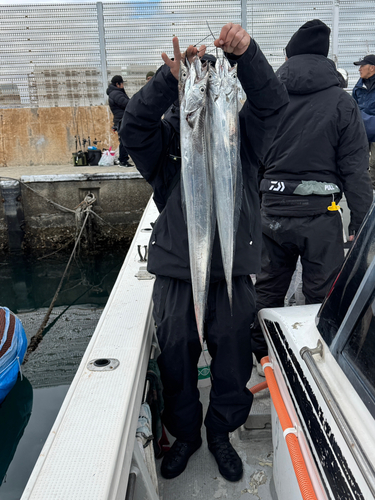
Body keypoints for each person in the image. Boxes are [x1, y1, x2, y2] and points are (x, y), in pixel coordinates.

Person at [121, 23, 289, 482]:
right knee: (175, 356)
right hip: (178, 272)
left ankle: (219, 433)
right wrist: (165, 80)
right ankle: (187, 434)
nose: (209, 85)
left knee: (234, 359)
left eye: (215, 78)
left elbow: (274, 105)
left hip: (233, 273)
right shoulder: (166, 149)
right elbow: (133, 126)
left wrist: (248, 55)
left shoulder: (245, 139)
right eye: (199, 77)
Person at [252, 20, 373, 361]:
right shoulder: (342, 102)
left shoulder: (266, 97)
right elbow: (355, 172)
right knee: (321, 294)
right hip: (320, 218)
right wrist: (360, 227)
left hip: (271, 212)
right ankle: (312, 356)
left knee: (268, 288)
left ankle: (263, 356)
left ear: (289, 57)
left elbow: (250, 156)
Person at [353, 54, 375, 188]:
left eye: (362, 66)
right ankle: (364, 189)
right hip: (362, 129)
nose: (359, 69)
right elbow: (353, 107)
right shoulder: (358, 87)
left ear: (372, 68)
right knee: (360, 160)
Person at [106, 75, 131, 167]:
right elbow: (126, 104)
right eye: (122, 83)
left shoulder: (115, 92)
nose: (123, 85)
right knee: (125, 140)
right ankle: (123, 160)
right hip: (122, 120)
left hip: (121, 119)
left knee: (125, 140)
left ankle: (123, 159)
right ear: (118, 84)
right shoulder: (116, 93)